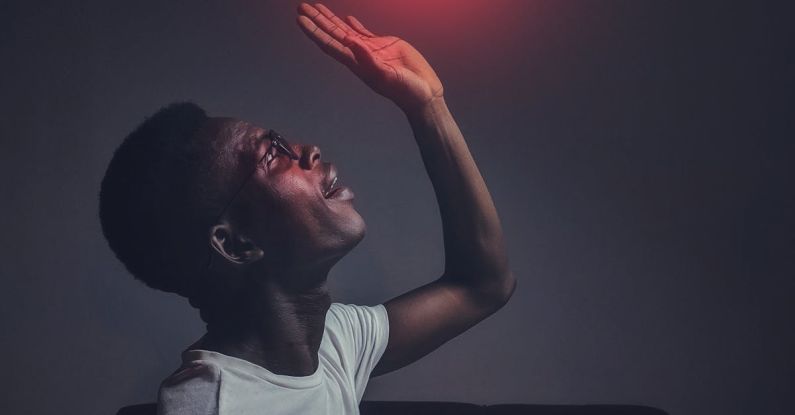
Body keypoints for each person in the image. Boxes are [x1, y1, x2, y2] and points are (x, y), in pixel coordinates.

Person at [99, 3, 515, 414]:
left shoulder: (329, 342)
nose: (309, 151)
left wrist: (427, 107)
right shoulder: (215, 406)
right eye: (270, 156)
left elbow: (482, 285)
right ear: (236, 243)